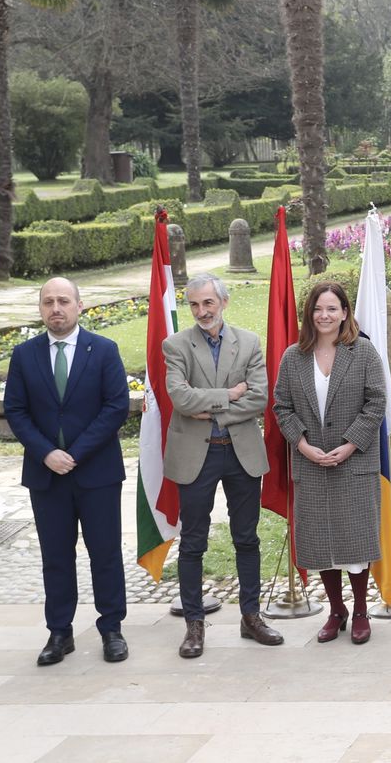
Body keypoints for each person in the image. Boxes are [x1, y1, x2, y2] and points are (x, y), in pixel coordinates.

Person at [5, 277, 130, 666]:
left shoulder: (104, 350)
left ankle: (111, 629)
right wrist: (46, 454)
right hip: (46, 476)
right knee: (55, 556)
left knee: (105, 553)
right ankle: (59, 632)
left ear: (80, 305)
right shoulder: (24, 355)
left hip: (96, 472)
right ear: (41, 309)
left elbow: (116, 406)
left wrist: (74, 453)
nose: (55, 308)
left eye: (62, 301)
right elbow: (16, 410)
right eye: (48, 302)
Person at [163, 272, 283, 658]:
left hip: (240, 453)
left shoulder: (248, 343)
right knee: (193, 542)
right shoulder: (175, 345)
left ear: (224, 302)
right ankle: (194, 625)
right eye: (195, 304)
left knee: (246, 538)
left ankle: (251, 617)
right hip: (195, 455)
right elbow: (181, 399)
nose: (201, 311)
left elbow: (259, 398)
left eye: (208, 303)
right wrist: (229, 396)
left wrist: (210, 407)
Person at [272, 280, 389, 645]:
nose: (324, 315)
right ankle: (335, 610)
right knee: (320, 544)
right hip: (311, 463)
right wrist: (303, 445)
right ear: (310, 314)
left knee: (354, 542)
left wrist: (351, 444)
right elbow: (282, 406)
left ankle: (360, 611)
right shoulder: (294, 356)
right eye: (318, 309)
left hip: (353, 463)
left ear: (344, 313)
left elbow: (375, 403)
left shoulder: (363, 352)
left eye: (332, 309)